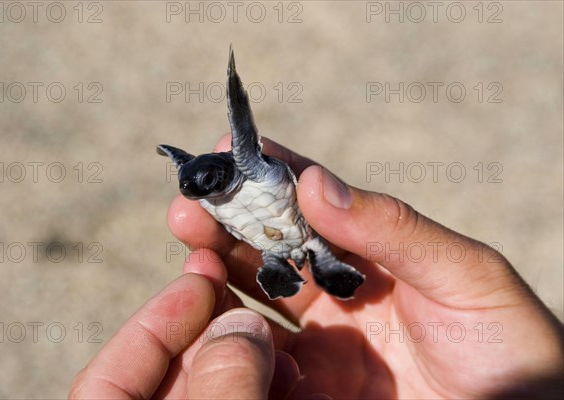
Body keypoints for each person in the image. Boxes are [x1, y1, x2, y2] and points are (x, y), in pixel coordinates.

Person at [69, 135, 563, 399]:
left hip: (299, 226)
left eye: (206, 182)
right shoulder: (204, 193)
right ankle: (285, 268)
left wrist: (541, 388)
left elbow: (244, 137)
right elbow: (192, 173)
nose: (202, 192)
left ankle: (317, 266)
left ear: (226, 169)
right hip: (269, 244)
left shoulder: (247, 164)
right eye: (193, 189)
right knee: (265, 257)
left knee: (314, 248)